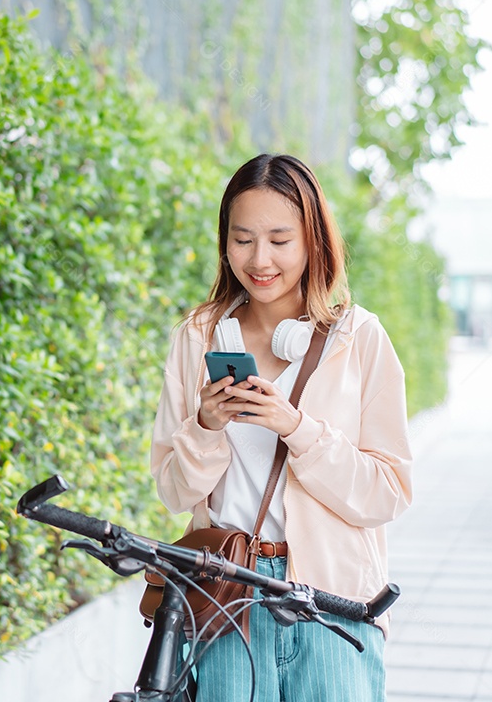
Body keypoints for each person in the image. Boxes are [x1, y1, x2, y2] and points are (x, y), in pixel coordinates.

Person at [150, 153, 413, 701]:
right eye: (242, 239)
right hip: (227, 602)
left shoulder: (358, 339)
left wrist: (298, 429)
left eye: (279, 239)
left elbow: (387, 493)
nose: (260, 259)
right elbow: (174, 491)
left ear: (313, 241)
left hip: (334, 610)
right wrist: (205, 425)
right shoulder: (198, 339)